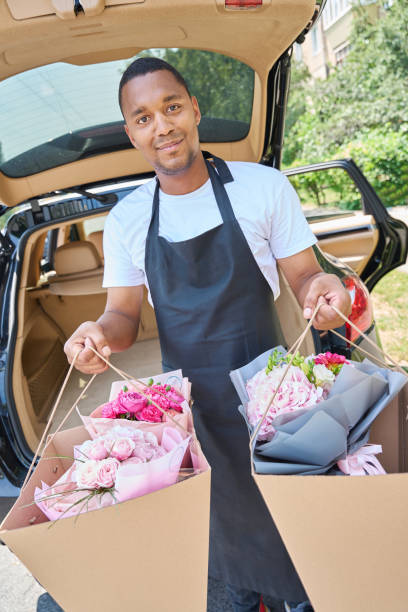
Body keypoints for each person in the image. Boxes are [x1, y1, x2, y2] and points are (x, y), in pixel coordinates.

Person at [64, 57, 351, 612]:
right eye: (143, 117)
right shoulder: (126, 220)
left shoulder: (261, 188)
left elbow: (303, 277)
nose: (162, 126)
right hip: (191, 414)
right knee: (227, 534)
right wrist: (96, 334)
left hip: (275, 402)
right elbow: (122, 318)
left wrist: (326, 289)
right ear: (131, 133)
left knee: (300, 529)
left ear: (194, 110)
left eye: (171, 107)